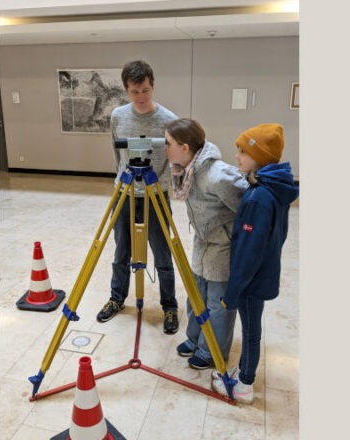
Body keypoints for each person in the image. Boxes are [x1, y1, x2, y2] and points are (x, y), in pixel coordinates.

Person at [211, 123, 299, 403]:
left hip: (252, 279)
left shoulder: (259, 198)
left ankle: (245, 384)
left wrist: (234, 291)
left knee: (250, 331)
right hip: (263, 272)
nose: (236, 156)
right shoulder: (272, 187)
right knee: (252, 327)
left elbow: (248, 253)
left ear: (259, 157)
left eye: (242, 151)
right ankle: (244, 371)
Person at [96, 60, 180, 334]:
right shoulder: (118, 116)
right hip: (125, 191)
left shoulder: (168, 119)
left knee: (162, 252)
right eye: (135, 91)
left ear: (152, 85)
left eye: (145, 90)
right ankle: (117, 298)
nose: (141, 97)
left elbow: (172, 160)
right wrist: (122, 179)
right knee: (121, 250)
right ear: (126, 90)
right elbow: (115, 154)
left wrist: (162, 185)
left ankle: (169, 306)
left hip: (156, 194)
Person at [164, 118, 249, 369]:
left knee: (218, 302)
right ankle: (195, 338)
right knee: (196, 294)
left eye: (168, 143)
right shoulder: (187, 170)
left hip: (222, 245)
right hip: (203, 241)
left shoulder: (217, 175)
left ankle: (212, 350)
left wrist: (233, 235)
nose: (164, 147)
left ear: (185, 148)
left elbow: (249, 206)